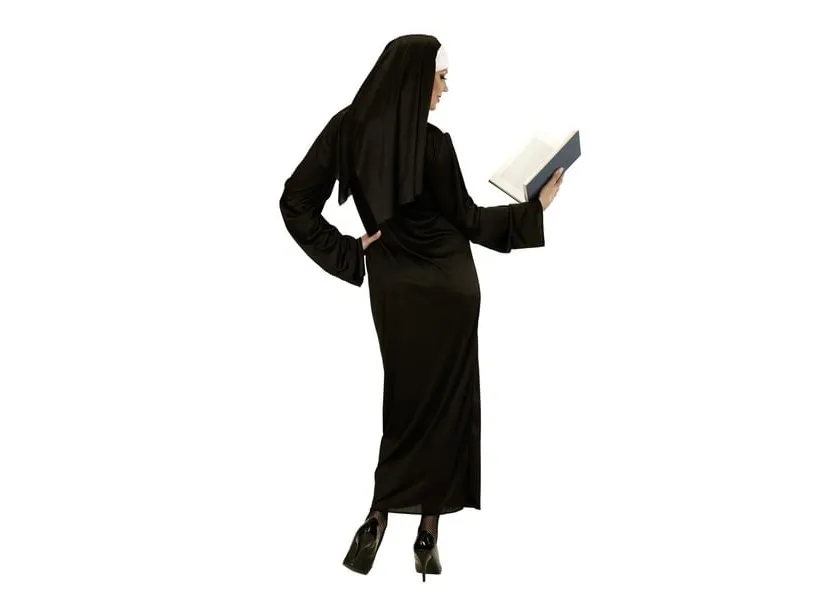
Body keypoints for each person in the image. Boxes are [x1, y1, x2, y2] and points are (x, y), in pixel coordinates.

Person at [279, 34, 564, 581]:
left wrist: (350, 251)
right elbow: (471, 222)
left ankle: (376, 519)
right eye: (442, 76)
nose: (445, 88)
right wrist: (535, 209)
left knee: (405, 403)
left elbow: (295, 202)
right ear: (415, 78)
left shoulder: (347, 130)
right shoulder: (433, 145)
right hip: (451, 290)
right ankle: (427, 535)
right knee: (448, 407)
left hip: (395, 291)